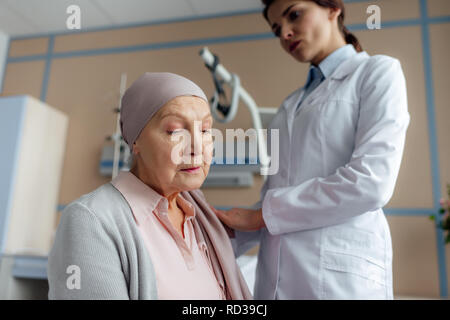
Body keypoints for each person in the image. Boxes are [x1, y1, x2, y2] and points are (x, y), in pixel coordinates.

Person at [212, 0, 410, 299]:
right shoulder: (287, 108)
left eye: (294, 15)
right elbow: (273, 198)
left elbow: (372, 182)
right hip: (274, 280)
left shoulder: (377, 73)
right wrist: (221, 234)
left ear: (333, 9)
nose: (285, 34)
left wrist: (263, 214)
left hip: (339, 279)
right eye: (276, 29)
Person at [47, 72, 252, 300]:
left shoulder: (197, 212)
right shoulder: (91, 220)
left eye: (204, 130)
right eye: (175, 131)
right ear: (135, 140)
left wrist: (261, 218)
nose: (196, 147)